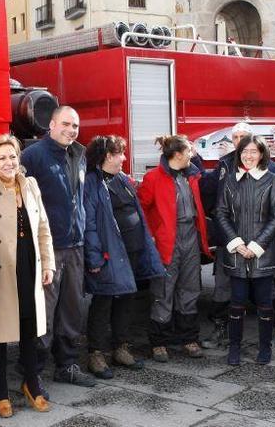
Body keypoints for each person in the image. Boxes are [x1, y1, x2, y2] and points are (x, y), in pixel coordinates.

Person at [0, 134, 54, 416]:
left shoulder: (30, 185)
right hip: (1, 267)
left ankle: (31, 383)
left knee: (30, 327)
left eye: (12, 156)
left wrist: (48, 264)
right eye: (2, 158)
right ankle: (1, 392)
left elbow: (43, 227)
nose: (9, 162)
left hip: (29, 264)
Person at [20, 106, 96, 387]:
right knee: (44, 314)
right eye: (66, 124)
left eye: (75, 125)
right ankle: (33, 373)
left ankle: (67, 366)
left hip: (75, 246)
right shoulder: (33, 156)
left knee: (72, 311)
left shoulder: (79, 153)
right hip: (48, 249)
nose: (71, 130)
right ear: (51, 124)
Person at [83, 135, 165, 378]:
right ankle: (96, 354)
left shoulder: (122, 180)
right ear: (108, 156)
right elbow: (89, 224)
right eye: (120, 153)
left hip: (131, 252)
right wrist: (95, 257)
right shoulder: (92, 183)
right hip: (109, 255)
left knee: (126, 300)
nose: (124, 158)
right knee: (103, 301)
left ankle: (121, 348)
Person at [202, 122, 275, 350]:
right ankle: (221, 328)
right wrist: (227, 234)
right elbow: (211, 198)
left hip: (262, 244)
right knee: (223, 286)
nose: (239, 141)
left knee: (267, 291)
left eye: (243, 137)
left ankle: (269, 331)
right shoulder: (224, 166)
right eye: (235, 137)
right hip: (230, 241)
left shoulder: (272, 171)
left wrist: (262, 241)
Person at [139, 134, 211, 363]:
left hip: (190, 235)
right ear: (178, 155)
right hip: (166, 240)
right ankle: (159, 343)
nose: (193, 154)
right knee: (163, 291)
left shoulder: (193, 176)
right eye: (189, 151)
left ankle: (189, 338)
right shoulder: (153, 178)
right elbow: (142, 209)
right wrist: (151, 236)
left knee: (190, 288)